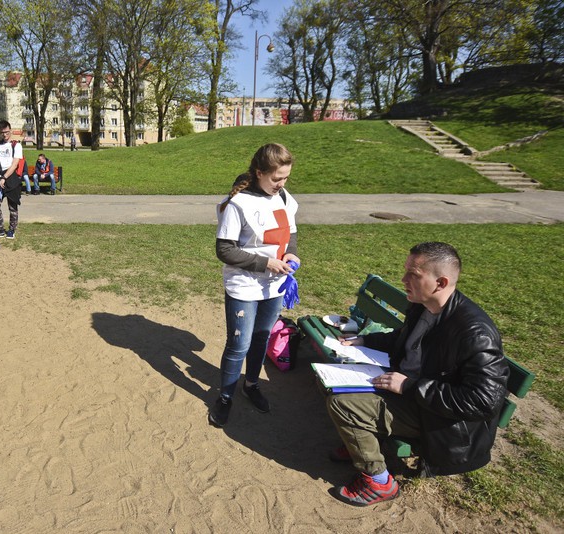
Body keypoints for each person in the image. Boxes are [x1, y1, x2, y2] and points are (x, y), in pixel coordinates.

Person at [325, 242, 509, 507]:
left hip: (439, 418)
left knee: (343, 404)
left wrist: (410, 387)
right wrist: (366, 341)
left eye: (414, 274)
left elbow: (483, 402)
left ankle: (380, 483)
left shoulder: (474, 333)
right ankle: (360, 443)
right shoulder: (425, 306)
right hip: (411, 391)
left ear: (440, 282)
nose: (404, 280)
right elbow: (405, 340)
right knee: (331, 380)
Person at [209, 143, 300, 428]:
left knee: (261, 337)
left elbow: (291, 233)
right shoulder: (239, 204)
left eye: (285, 177)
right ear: (259, 172)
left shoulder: (284, 197)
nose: (281, 184)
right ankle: (225, 397)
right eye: (276, 178)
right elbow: (225, 250)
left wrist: (290, 253)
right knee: (239, 344)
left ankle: (250, 385)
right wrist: (266, 263)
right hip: (244, 286)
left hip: (274, 286)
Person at [0, 120, 23, 239]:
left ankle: (12, 230)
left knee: (12, 206)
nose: (4, 135)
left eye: (6, 132)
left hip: (11, 177)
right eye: (2, 133)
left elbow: (15, 164)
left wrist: (4, 177)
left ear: (10, 130)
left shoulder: (16, 145)